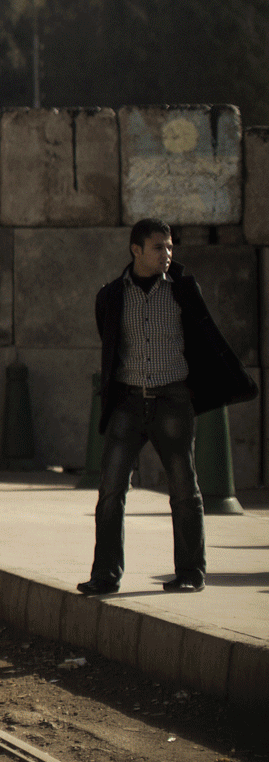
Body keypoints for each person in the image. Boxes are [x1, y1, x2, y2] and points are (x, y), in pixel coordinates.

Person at [79, 219, 256, 596]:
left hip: (173, 401)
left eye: (171, 247)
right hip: (127, 402)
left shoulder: (183, 290)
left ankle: (191, 573)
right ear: (136, 250)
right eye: (158, 247)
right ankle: (105, 575)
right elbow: (109, 343)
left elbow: (203, 338)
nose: (167, 254)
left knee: (184, 490)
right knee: (110, 490)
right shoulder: (111, 295)